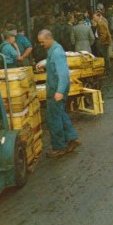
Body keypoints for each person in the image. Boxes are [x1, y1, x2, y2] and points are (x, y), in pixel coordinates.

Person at [36, 29, 80, 157]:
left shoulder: (56, 52)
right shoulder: (54, 50)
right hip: (55, 89)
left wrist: (59, 91)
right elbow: (55, 66)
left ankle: (59, 147)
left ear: (49, 38)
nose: (41, 44)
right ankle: (72, 138)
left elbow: (64, 75)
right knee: (61, 114)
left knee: (53, 119)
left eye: (42, 42)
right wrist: (44, 65)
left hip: (56, 90)